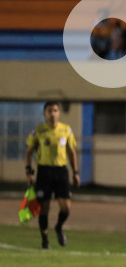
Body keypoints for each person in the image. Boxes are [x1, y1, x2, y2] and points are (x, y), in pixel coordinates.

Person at [24, 101, 80, 249]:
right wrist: (29, 172)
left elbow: (71, 152)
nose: (52, 114)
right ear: (45, 113)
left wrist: (76, 172)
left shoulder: (66, 130)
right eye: (49, 111)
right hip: (44, 171)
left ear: (59, 113)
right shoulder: (38, 131)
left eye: (55, 110)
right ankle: (45, 240)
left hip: (61, 171)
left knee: (66, 207)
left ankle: (59, 227)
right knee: (44, 208)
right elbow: (29, 152)